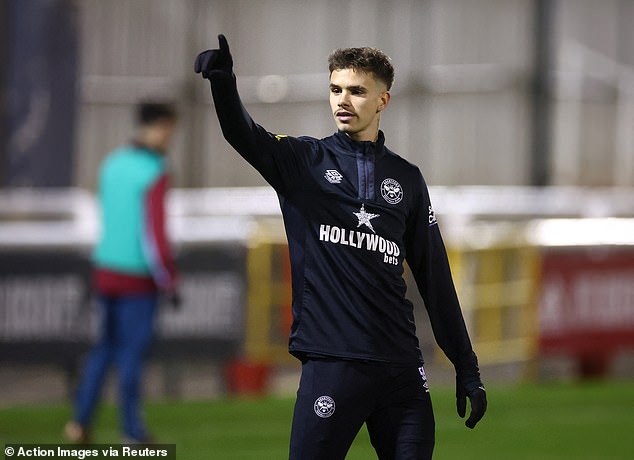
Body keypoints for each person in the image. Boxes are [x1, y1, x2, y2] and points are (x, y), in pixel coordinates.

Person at [195, 36, 486, 460]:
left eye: (356, 91)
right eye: (335, 89)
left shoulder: (406, 179)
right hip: (333, 363)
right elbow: (244, 134)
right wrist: (223, 83)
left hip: (401, 369)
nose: (342, 100)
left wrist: (466, 366)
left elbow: (435, 279)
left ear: (383, 99)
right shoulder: (304, 162)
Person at [65, 101, 179, 443]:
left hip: (105, 270)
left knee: (103, 350)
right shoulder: (155, 169)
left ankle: (79, 423)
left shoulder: (112, 164)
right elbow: (154, 234)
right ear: (159, 126)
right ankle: (132, 429)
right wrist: (169, 279)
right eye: (169, 129)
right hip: (137, 276)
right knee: (131, 355)